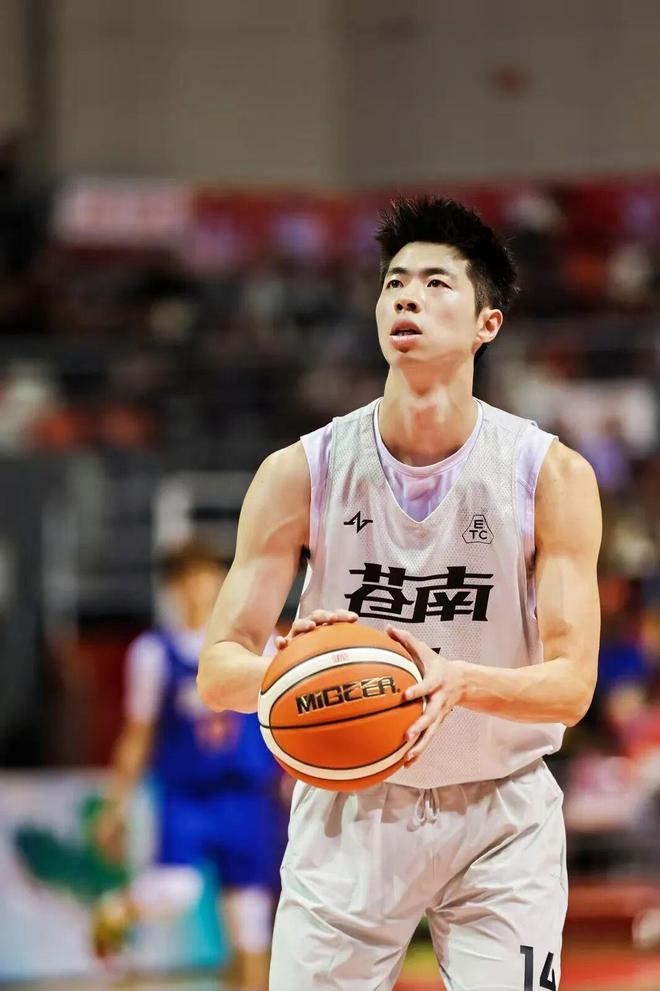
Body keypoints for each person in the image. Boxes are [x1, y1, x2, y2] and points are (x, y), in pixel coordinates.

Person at [197, 196, 602, 991]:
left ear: (487, 323)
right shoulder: (299, 472)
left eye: (436, 283)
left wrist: (459, 682)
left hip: (501, 812)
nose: (407, 297)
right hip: (349, 808)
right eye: (394, 283)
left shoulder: (548, 475)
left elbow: (571, 685)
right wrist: (300, 668)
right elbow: (219, 670)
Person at [95, 537, 281, 988]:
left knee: (251, 925)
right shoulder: (153, 653)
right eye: (186, 579)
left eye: (205, 576)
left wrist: (293, 780)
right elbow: (138, 735)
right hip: (188, 797)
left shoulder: (262, 642)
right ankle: (117, 908)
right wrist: (115, 805)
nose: (198, 587)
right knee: (176, 890)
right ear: (172, 589)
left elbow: (285, 718)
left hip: (247, 796)